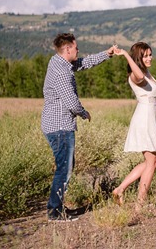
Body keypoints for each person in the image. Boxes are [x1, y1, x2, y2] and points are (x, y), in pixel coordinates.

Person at [41, 33, 116, 222]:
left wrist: (107, 54)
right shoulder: (62, 71)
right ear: (67, 49)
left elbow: (85, 62)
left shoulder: (59, 62)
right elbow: (71, 102)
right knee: (64, 169)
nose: (78, 50)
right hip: (60, 126)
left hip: (57, 125)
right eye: (76, 47)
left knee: (65, 167)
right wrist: (84, 113)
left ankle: (57, 208)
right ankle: (55, 212)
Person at [112, 42, 156, 212]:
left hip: (149, 118)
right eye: (145, 55)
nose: (149, 58)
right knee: (152, 161)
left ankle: (119, 190)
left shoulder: (148, 73)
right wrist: (125, 55)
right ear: (137, 58)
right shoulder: (135, 75)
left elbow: (150, 98)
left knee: (150, 161)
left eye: (150, 54)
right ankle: (140, 204)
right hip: (143, 120)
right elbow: (139, 78)